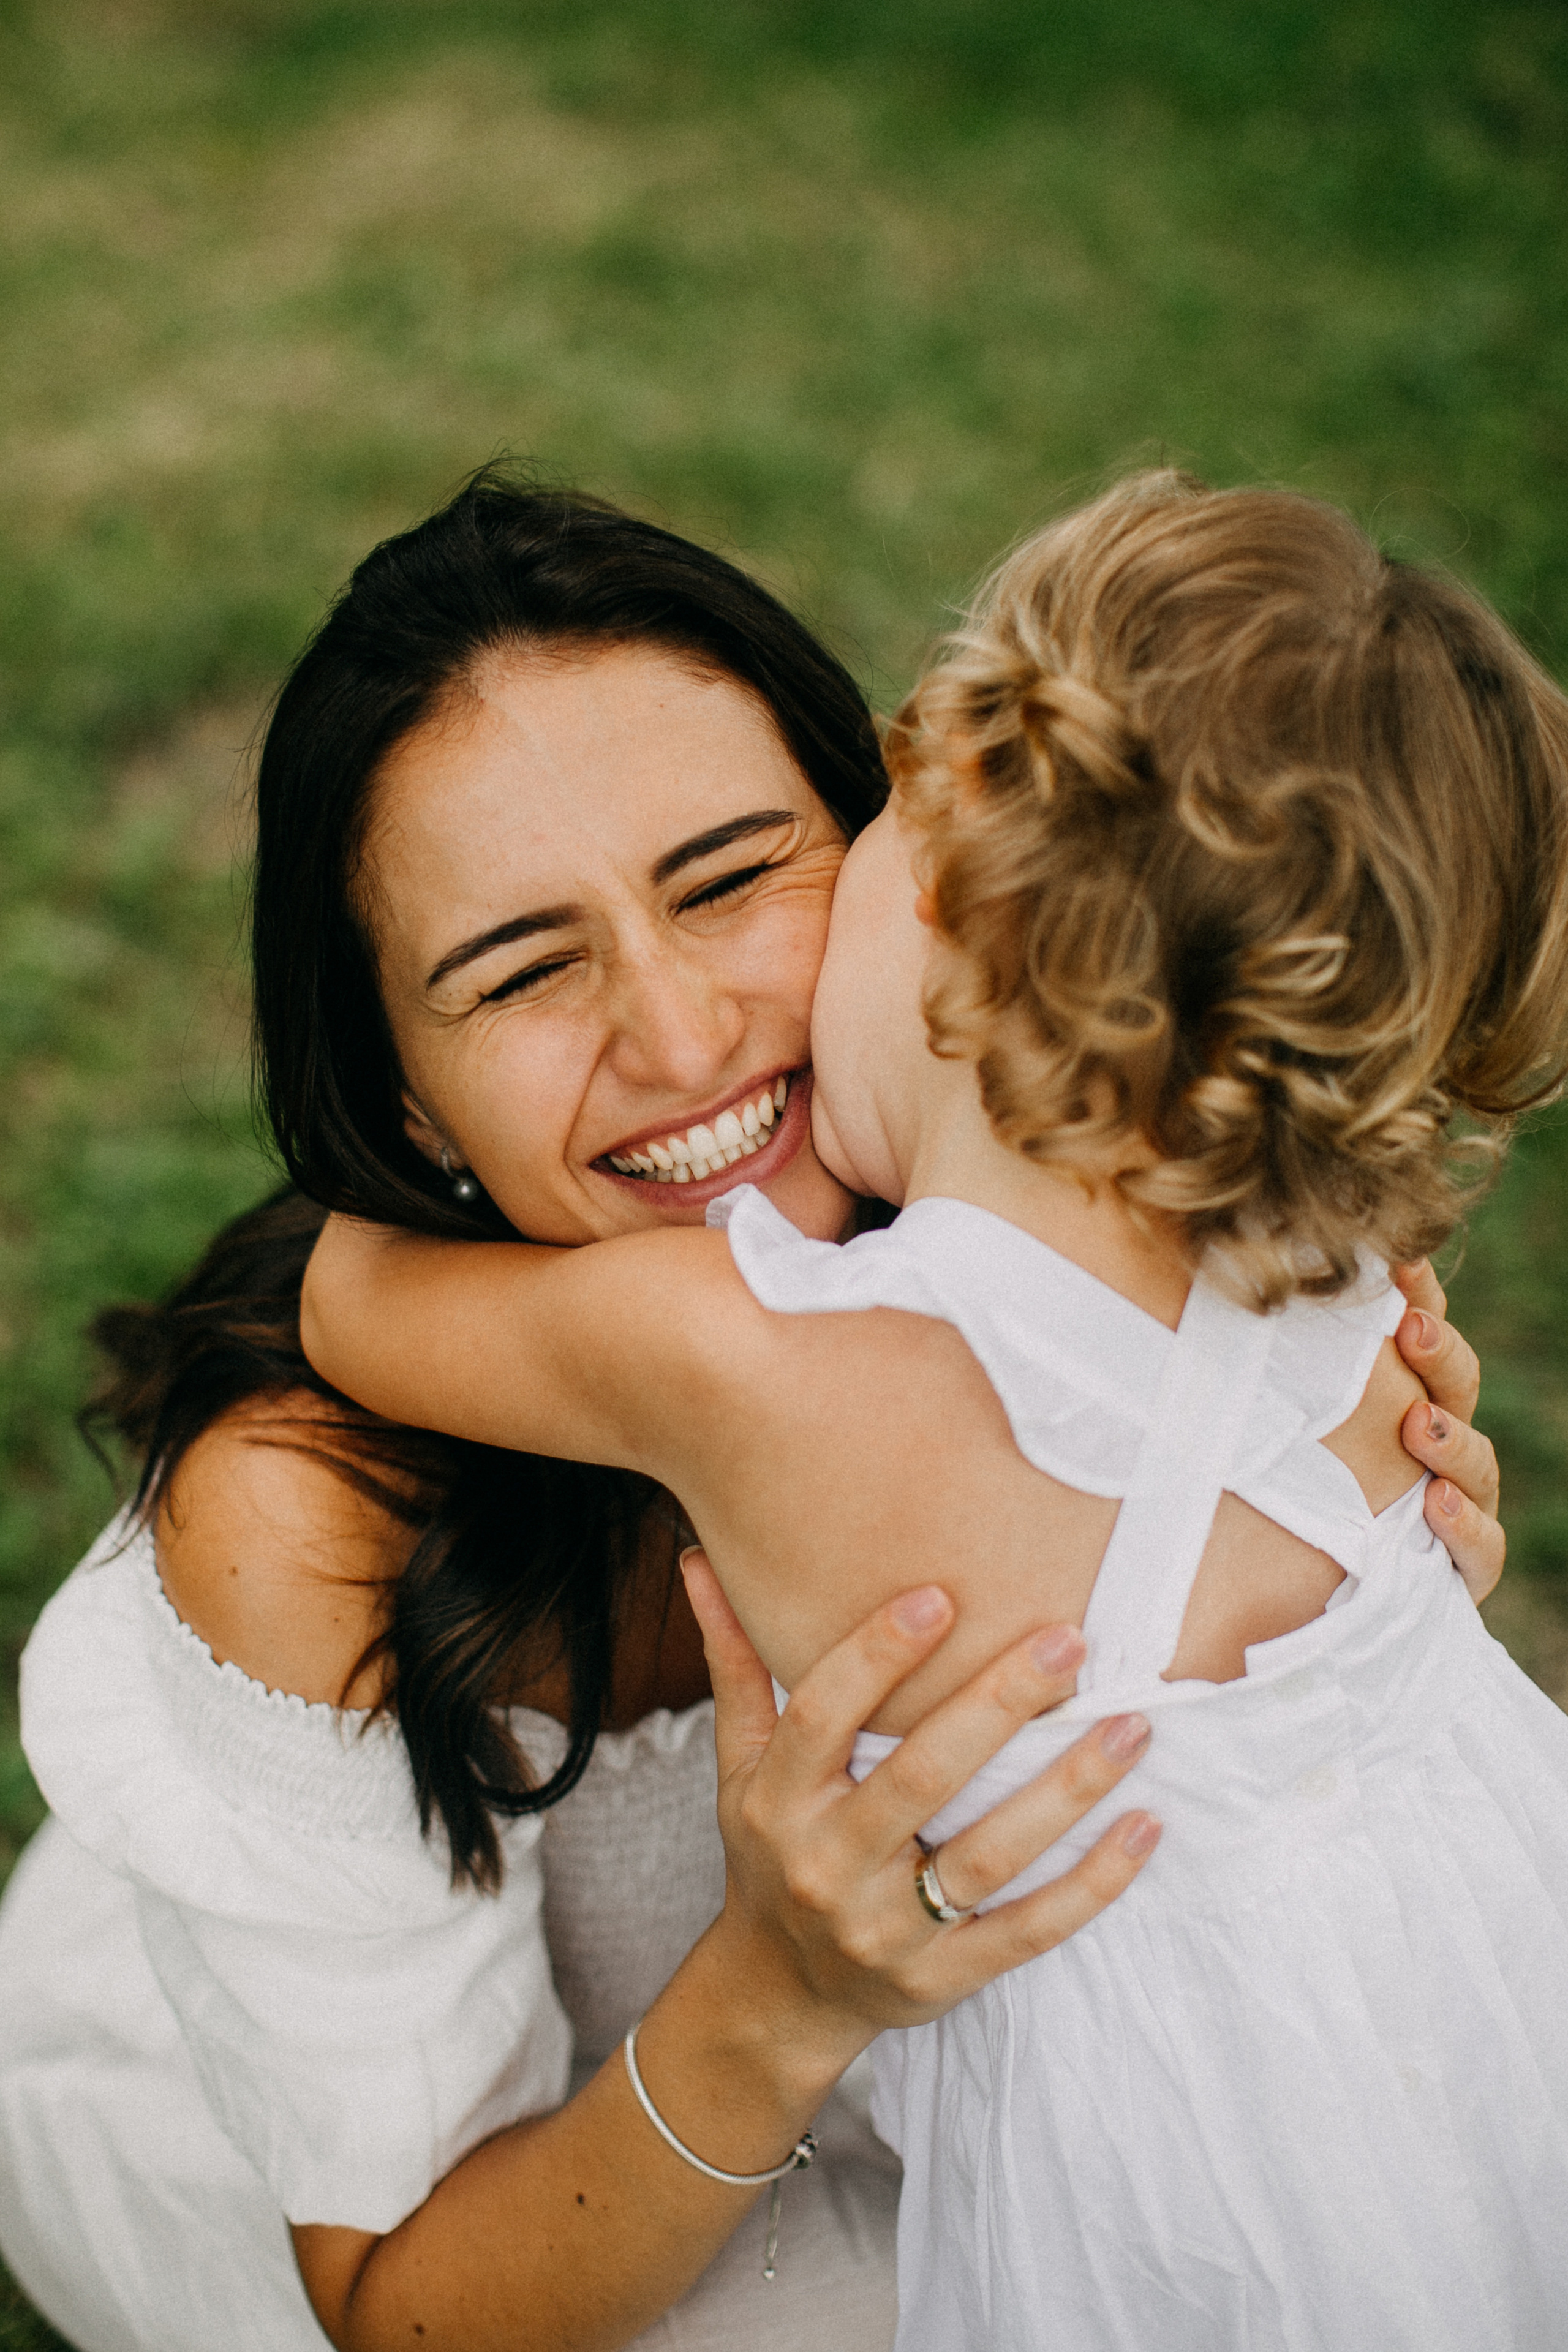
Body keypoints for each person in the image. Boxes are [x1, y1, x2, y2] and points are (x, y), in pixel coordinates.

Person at [0, 475, 1284, 2352]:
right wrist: (777, 1986)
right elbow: (400, 2307)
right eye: (523, 969)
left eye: (731, 876)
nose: (686, 1041)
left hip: (906, 2078)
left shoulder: (1064, 1170)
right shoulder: (304, 1513)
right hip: (473, 2209)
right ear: (412, 1102)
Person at [299, 471, 1562, 2352]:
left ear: (959, 863)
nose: (694, 1036)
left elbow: (355, 1297)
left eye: (789, 857)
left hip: (1167, 2186)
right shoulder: (1350, 1293)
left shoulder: (749, 1358)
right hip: (1492, 2016)